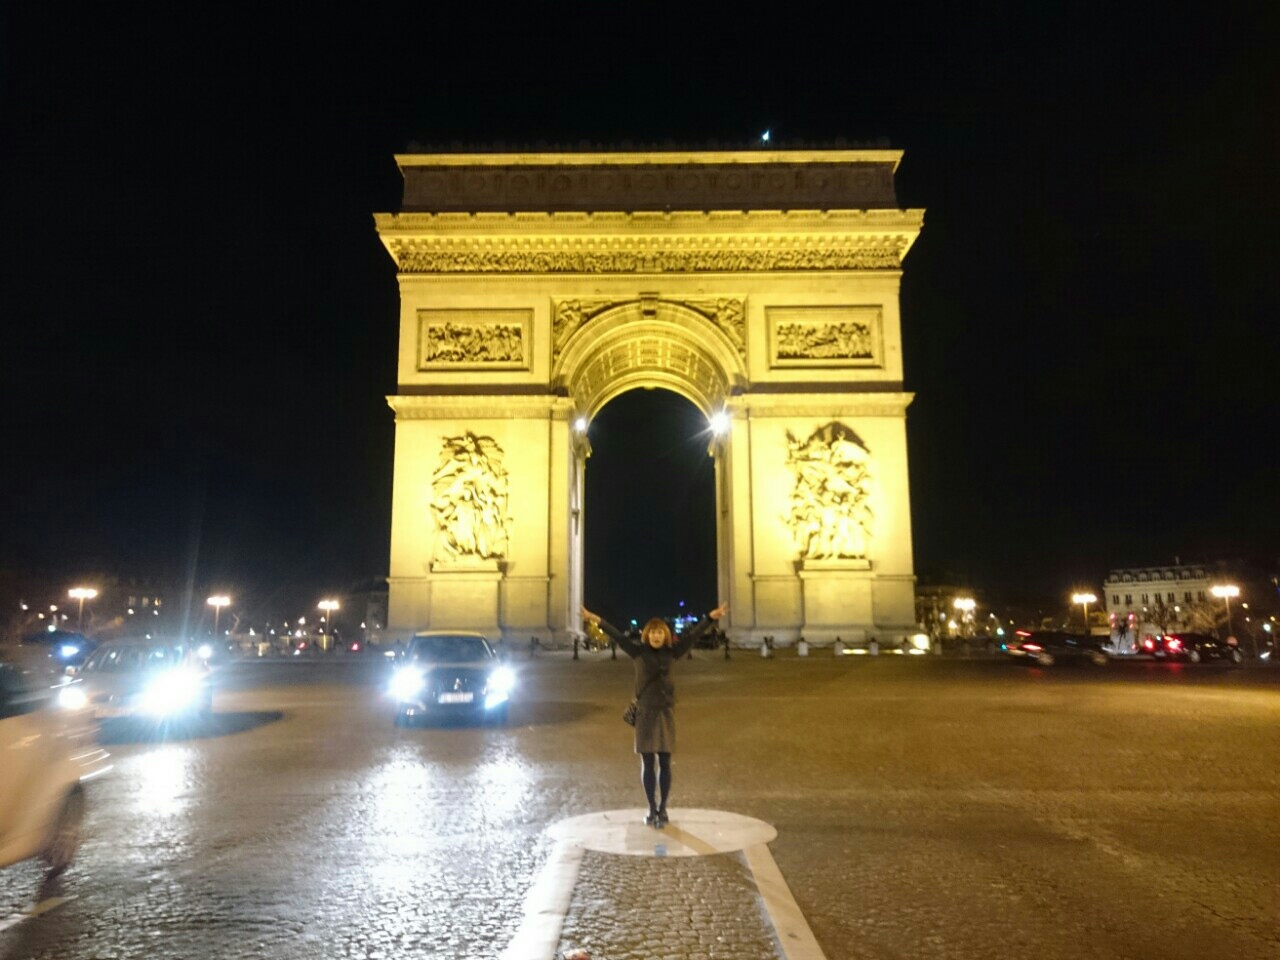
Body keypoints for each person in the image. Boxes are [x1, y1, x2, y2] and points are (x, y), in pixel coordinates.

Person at [581, 602, 729, 828]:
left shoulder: (673, 652)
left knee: (666, 763)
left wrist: (711, 617)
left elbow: (692, 636)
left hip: (665, 712)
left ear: (665, 635)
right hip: (645, 713)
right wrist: (594, 618)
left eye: (660, 632)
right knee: (648, 763)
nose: (657, 636)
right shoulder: (637, 651)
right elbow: (617, 635)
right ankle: (651, 808)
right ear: (647, 635)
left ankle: (663, 808)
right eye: (653, 632)